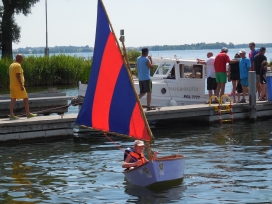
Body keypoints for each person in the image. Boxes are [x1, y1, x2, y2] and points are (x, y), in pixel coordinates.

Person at [9, 54, 37, 119]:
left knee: (13, 99)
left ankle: (11, 115)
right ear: (19, 59)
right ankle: (28, 113)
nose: (22, 60)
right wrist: (21, 85)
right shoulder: (18, 65)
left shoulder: (11, 65)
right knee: (26, 98)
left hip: (12, 85)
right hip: (17, 86)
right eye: (22, 59)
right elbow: (18, 75)